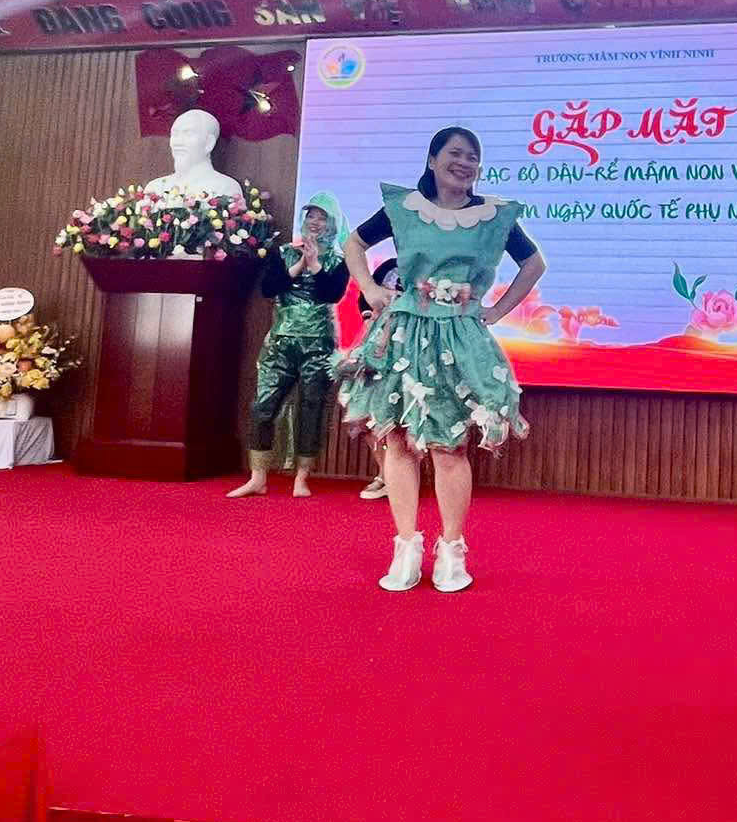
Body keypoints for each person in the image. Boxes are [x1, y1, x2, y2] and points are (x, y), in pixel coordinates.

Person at [339, 127, 545, 592]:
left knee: (449, 446)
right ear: (432, 160)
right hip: (404, 333)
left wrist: (497, 310)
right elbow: (353, 244)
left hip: (460, 336)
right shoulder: (405, 207)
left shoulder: (493, 216)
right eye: (455, 153)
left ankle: (452, 550)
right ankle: (405, 547)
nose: (464, 163)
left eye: (473, 156)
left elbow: (534, 264)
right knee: (397, 441)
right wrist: (369, 288)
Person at [229, 193, 348, 498]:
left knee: (311, 408)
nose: (315, 222)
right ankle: (258, 477)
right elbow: (269, 288)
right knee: (263, 405)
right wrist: (298, 266)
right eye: (311, 216)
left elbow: (332, 294)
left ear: (333, 223)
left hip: (318, 344)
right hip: (281, 342)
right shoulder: (282, 253)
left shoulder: (340, 260)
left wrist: (315, 264)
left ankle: (302, 478)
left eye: (322, 217)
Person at [355, 258, 400, 501]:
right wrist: (369, 317)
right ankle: (384, 474)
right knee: (366, 413)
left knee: (398, 418)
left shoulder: (428, 268)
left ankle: (400, 478)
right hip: (376, 345)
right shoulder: (389, 266)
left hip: (410, 347)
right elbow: (365, 297)